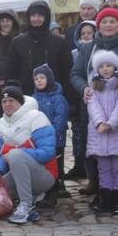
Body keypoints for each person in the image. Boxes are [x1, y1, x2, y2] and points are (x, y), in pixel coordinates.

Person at [71, 7, 118, 208]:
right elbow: (75, 73)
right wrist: (83, 88)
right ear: (98, 25)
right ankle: (104, 193)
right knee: (100, 153)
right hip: (97, 110)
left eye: (112, 21)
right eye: (104, 22)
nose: (108, 25)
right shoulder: (88, 48)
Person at [0, 85, 57, 224]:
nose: (7, 104)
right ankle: (28, 195)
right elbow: (2, 155)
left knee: (15, 154)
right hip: (18, 172)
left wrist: (19, 152)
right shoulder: (1, 124)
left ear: (20, 102)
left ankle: (26, 205)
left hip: (45, 174)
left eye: (11, 100)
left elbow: (48, 153)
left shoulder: (36, 117)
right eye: (4, 101)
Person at [86, 51, 118, 215]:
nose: (105, 69)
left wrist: (110, 123)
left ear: (115, 67)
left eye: (108, 65)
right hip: (99, 133)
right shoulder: (94, 86)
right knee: (104, 167)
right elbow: (93, 105)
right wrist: (100, 122)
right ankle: (105, 199)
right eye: (101, 66)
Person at [6, 0, 73, 99]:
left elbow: (67, 72)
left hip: (54, 98)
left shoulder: (59, 42)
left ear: (46, 18)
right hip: (26, 97)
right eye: (33, 15)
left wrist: (69, 99)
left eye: (40, 15)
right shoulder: (18, 43)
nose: (36, 19)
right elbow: (12, 74)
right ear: (28, 17)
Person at [65, 20, 97, 182]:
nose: (86, 36)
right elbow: (71, 74)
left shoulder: (100, 50)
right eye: (83, 33)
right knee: (81, 140)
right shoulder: (73, 53)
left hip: (96, 101)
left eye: (89, 33)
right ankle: (85, 171)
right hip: (79, 100)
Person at [32, 64, 69, 201]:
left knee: (57, 163)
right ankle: (43, 188)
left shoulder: (58, 98)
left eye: (42, 77)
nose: (39, 81)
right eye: (36, 79)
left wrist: (52, 133)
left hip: (55, 138)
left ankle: (57, 186)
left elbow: (60, 118)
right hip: (38, 139)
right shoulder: (33, 99)